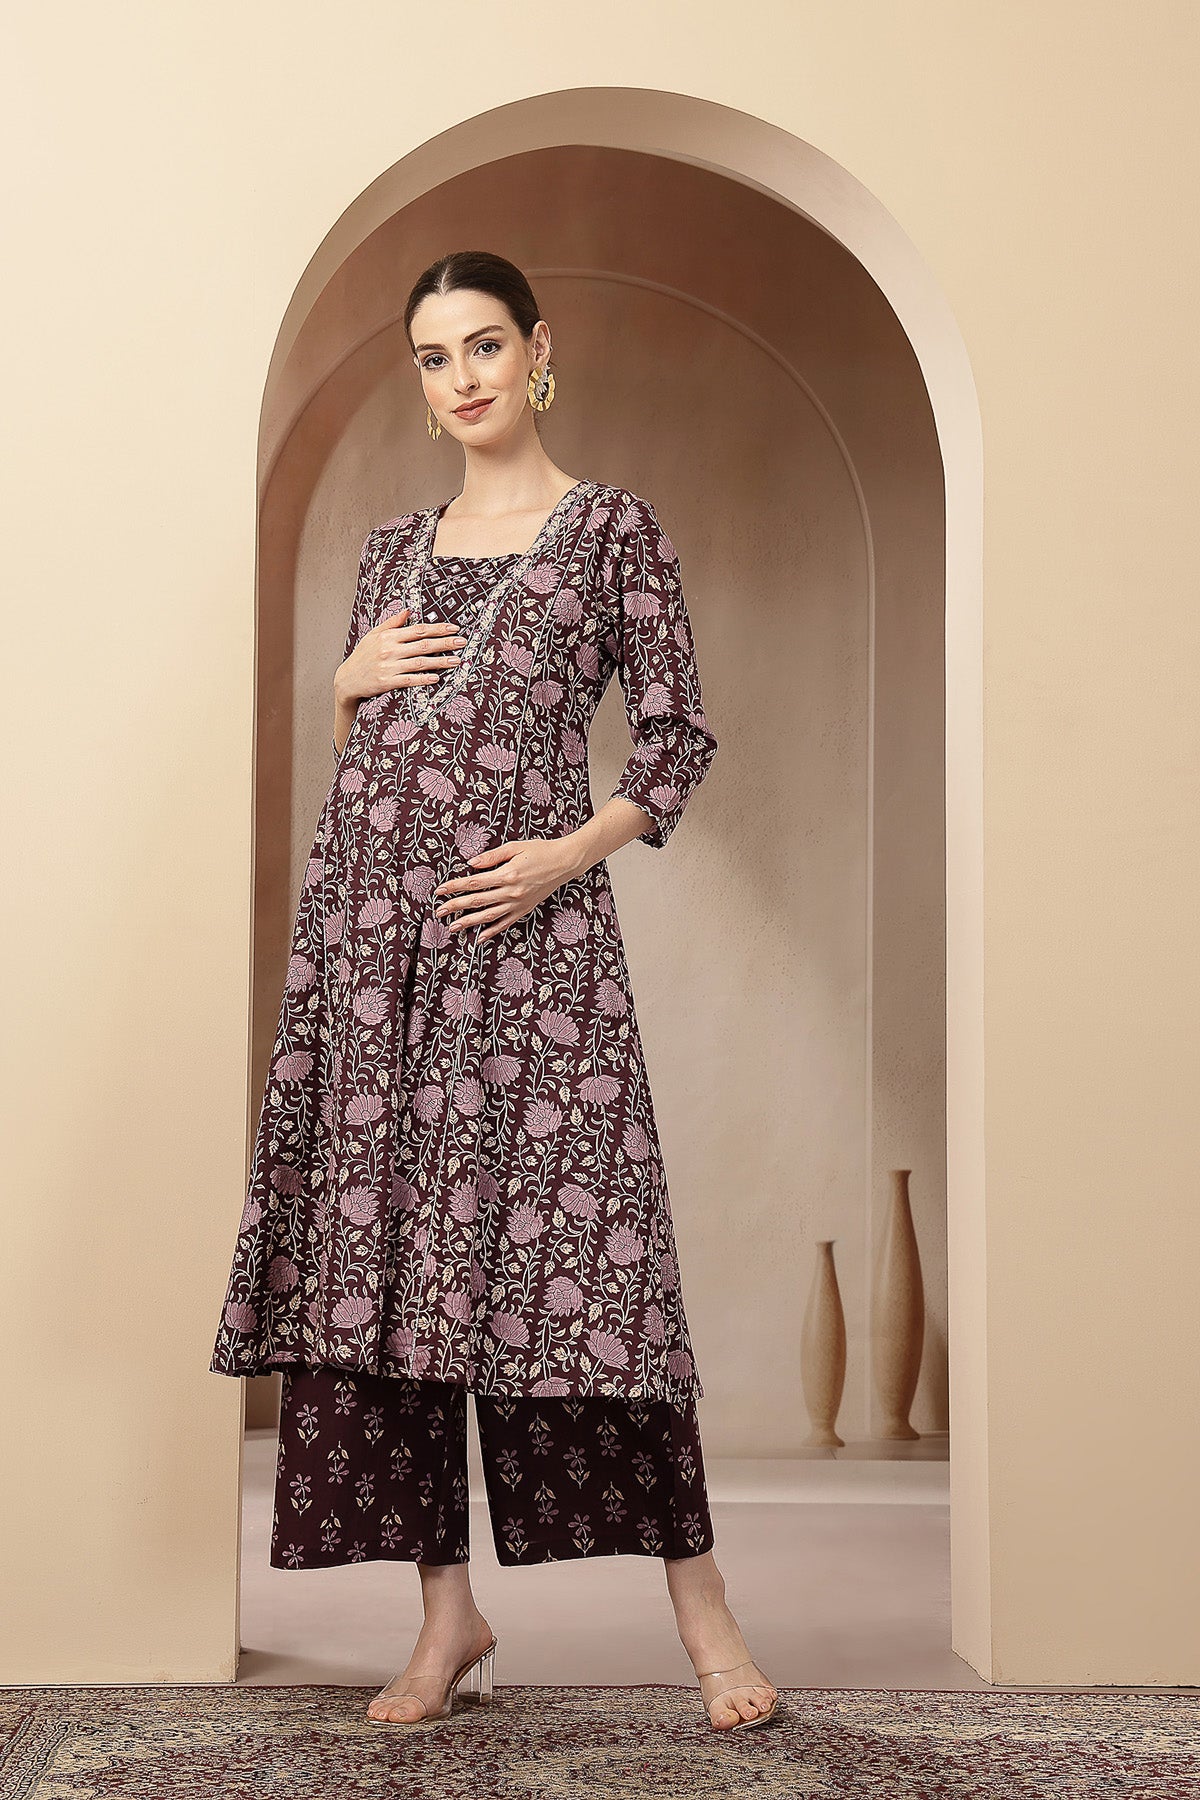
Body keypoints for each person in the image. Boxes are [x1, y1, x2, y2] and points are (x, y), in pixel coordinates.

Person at [210, 250, 779, 1734]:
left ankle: (706, 1614)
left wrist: (561, 857)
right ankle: (444, 1616)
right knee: (396, 1279)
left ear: (537, 350)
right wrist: (344, 686)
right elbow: (373, 765)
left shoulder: (610, 532)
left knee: (593, 1275)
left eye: (482, 344)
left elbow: (676, 743)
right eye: (432, 356)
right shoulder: (393, 551)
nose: (460, 377)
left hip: (534, 958)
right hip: (375, 962)